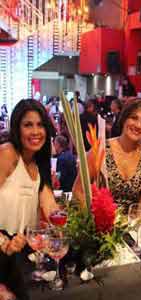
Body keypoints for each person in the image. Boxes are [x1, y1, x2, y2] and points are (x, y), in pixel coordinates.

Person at [0, 99, 58, 299]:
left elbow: (53, 211)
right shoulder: (8, 153)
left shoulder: (39, 164)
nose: (36, 131)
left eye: (41, 124)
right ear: (17, 128)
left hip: (20, 255)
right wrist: (3, 241)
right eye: (28, 125)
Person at [73, 99, 141, 212]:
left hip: (133, 226)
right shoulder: (101, 149)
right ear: (124, 119)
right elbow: (78, 191)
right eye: (134, 118)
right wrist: (92, 219)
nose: (138, 125)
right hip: (101, 226)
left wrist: (140, 224)